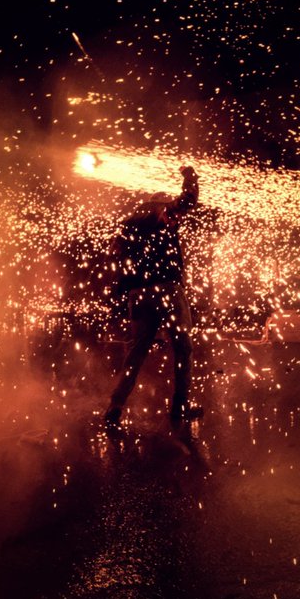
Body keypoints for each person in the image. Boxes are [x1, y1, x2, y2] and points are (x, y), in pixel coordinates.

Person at [104, 165, 202, 433]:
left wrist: (125, 293)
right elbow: (188, 200)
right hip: (166, 292)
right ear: (160, 206)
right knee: (183, 350)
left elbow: (119, 267)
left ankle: (115, 405)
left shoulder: (129, 226)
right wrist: (189, 175)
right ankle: (180, 407)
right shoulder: (160, 216)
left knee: (135, 353)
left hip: (139, 295)